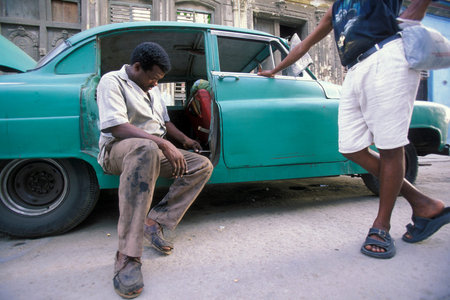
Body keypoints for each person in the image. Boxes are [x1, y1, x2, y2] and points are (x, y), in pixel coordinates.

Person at [259, 0, 449, 259]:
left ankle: (381, 227)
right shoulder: (336, 8)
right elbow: (305, 44)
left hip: (388, 57)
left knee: (390, 146)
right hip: (355, 70)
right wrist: (274, 70)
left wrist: (416, 12)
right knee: (350, 147)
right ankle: (424, 204)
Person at [96, 42, 213, 298]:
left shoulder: (154, 90)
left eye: (159, 79)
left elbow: (165, 123)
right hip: (119, 150)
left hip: (152, 149)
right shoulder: (112, 81)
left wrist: (184, 141)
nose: (155, 84)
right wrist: (161, 143)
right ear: (137, 67)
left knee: (201, 165)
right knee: (145, 148)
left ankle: (155, 221)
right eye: (153, 78)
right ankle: (127, 256)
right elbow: (116, 127)